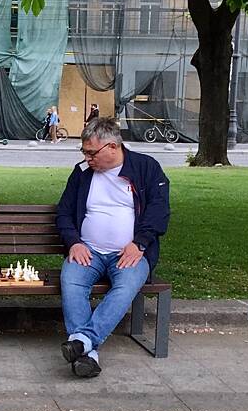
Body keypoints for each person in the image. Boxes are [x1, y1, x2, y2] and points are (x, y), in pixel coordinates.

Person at [55, 117, 170, 378]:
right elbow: (63, 213)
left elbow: (159, 211)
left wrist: (139, 244)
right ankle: (88, 352)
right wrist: (74, 242)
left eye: (92, 152)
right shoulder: (83, 173)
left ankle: (82, 341)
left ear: (113, 147)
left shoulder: (146, 168)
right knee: (71, 281)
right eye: (84, 152)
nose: (87, 158)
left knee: (126, 287)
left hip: (130, 253)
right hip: (89, 251)